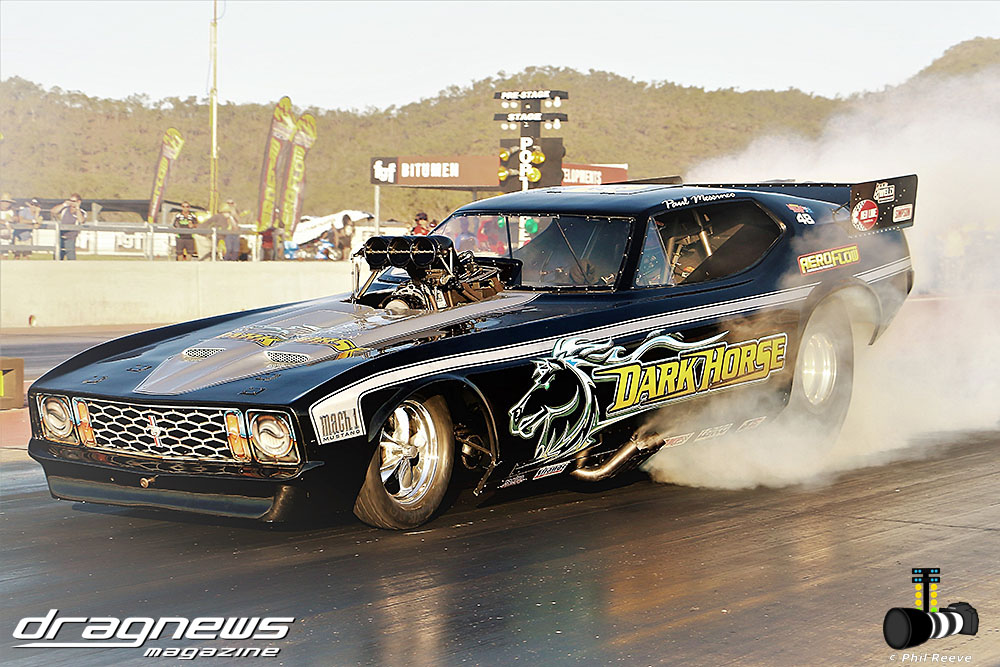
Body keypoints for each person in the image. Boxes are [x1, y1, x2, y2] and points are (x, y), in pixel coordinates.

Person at [52, 193, 85, 260]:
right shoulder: (64, 210)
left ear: (79, 202)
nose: (71, 203)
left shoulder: (82, 212)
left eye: (74, 201)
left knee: (71, 259)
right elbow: (53, 211)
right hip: (60, 238)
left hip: (71, 239)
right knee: (57, 258)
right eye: (70, 201)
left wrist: (77, 208)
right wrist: (64, 204)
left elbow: (81, 220)